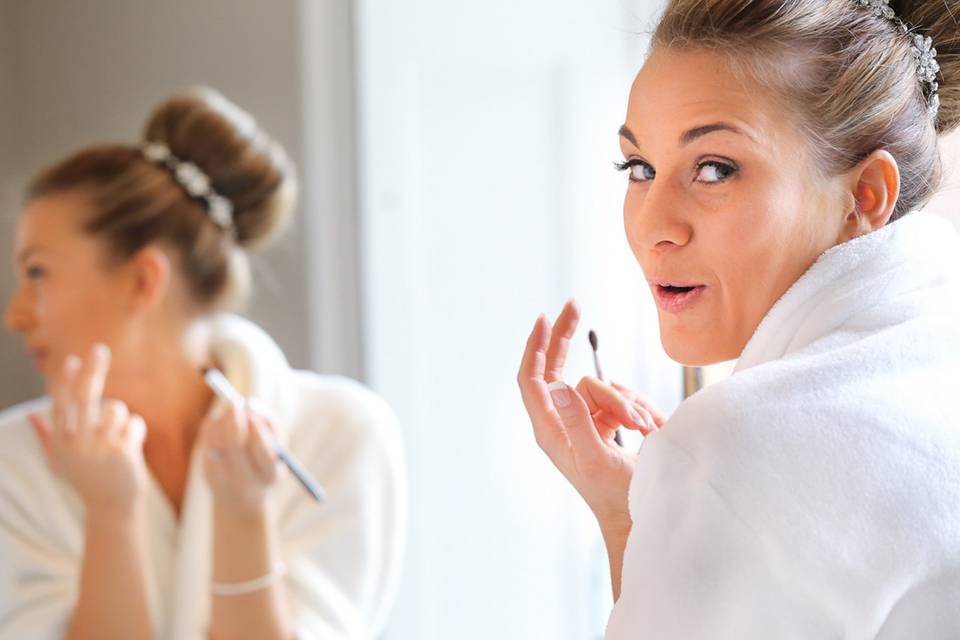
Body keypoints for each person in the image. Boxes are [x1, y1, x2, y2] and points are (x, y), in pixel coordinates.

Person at [518, 0, 960, 637]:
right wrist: (640, 519)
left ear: (863, 196)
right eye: (638, 168)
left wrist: (697, 490)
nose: (652, 227)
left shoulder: (741, 447)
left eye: (714, 169)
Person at [0, 87, 406, 639]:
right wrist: (108, 516)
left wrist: (244, 516)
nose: (16, 315)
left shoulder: (341, 432)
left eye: (38, 274)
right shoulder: (16, 463)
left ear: (143, 280)